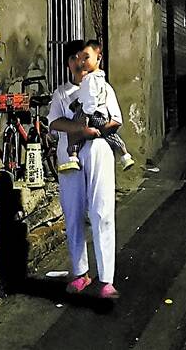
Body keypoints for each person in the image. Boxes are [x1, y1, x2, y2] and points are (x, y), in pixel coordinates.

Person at [47, 39, 122, 300]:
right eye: (74, 58)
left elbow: (116, 120)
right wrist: (80, 129)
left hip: (99, 151)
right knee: (73, 212)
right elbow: (54, 122)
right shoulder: (62, 93)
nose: (80, 62)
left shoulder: (104, 88)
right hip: (69, 156)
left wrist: (97, 130)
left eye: (83, 57)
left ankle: (106, 279)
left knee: (102, 212)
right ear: (68, 63)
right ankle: (80, 273)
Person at [58, 39, 134, 173]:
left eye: (86, 58)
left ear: (98, 58)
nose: (82, 62)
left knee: (75, 129)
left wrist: (85, 113)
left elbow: (90, 99)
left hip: (92, 112)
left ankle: (73, 157)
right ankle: (125, 155)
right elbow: (86, 96)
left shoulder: (91, 79)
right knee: (107, 134)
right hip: (98, 113)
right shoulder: (99, 77)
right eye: (80, 59)